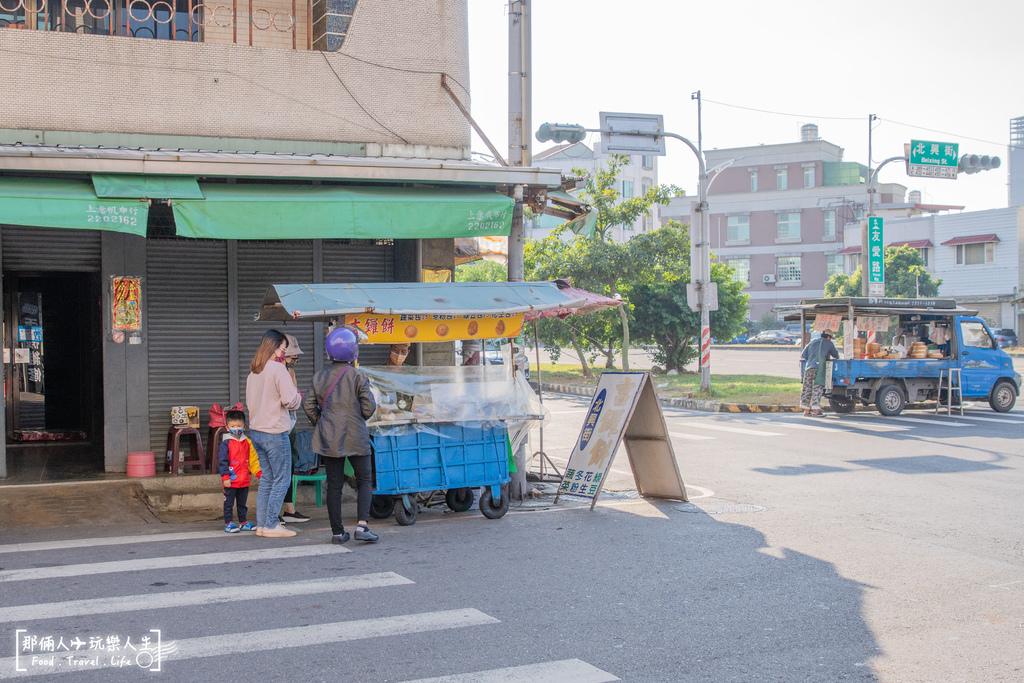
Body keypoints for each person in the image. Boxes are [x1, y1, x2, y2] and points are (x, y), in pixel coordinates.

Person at [303, 326, 378, 545]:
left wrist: (323, 422)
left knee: (334, 484)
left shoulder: (318, 377)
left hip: (329, 438)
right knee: (365, 480)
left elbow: (308, 406)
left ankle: (337, 532)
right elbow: (368, 409)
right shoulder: (358, 376)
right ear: (354, 352)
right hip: (356, 436)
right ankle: (362, 526)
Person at [246, 329, 303, 538]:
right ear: (274, 347)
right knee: (282, 479)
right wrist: (298, 398)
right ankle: (271, 524)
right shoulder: (278, 370)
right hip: (275, 433)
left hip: (257, 432)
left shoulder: (254, 371)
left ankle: (262, 525)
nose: (284, 352)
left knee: (267, 480)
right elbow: (291, 401)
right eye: (283, 348)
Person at [280, 333, 311, 525]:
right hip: (279, 426)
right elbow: (289, 400)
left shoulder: (289, 372)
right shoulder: (275, 372)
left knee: (290, 466)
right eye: (292, 356)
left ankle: (289, 509)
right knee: (279, 469)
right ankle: (275, 512)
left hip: (289, 423)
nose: (294, 360)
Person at [218, 409, 260, 533]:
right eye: (232, 426)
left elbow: (253, 461)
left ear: (244, 426)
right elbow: (223, 461)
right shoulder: (225, 443)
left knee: (242, 504)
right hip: (230, 481)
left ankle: (243, 522)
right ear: (227, 427)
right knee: (228, 504)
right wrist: (225, 477)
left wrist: (259, 474)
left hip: (244, 480)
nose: (236, 429)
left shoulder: (248, 442)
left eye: (239, 426)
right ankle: (229, 523)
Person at [800, 329, 839, 416]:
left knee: (807, 388)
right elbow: (835, 355)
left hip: (808, 368)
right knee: (817, 389)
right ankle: (816, 411)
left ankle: (806, 410)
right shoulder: (828, 343)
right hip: (819, 368)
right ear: (828, 337)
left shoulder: (812, 342)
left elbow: (803, 355)